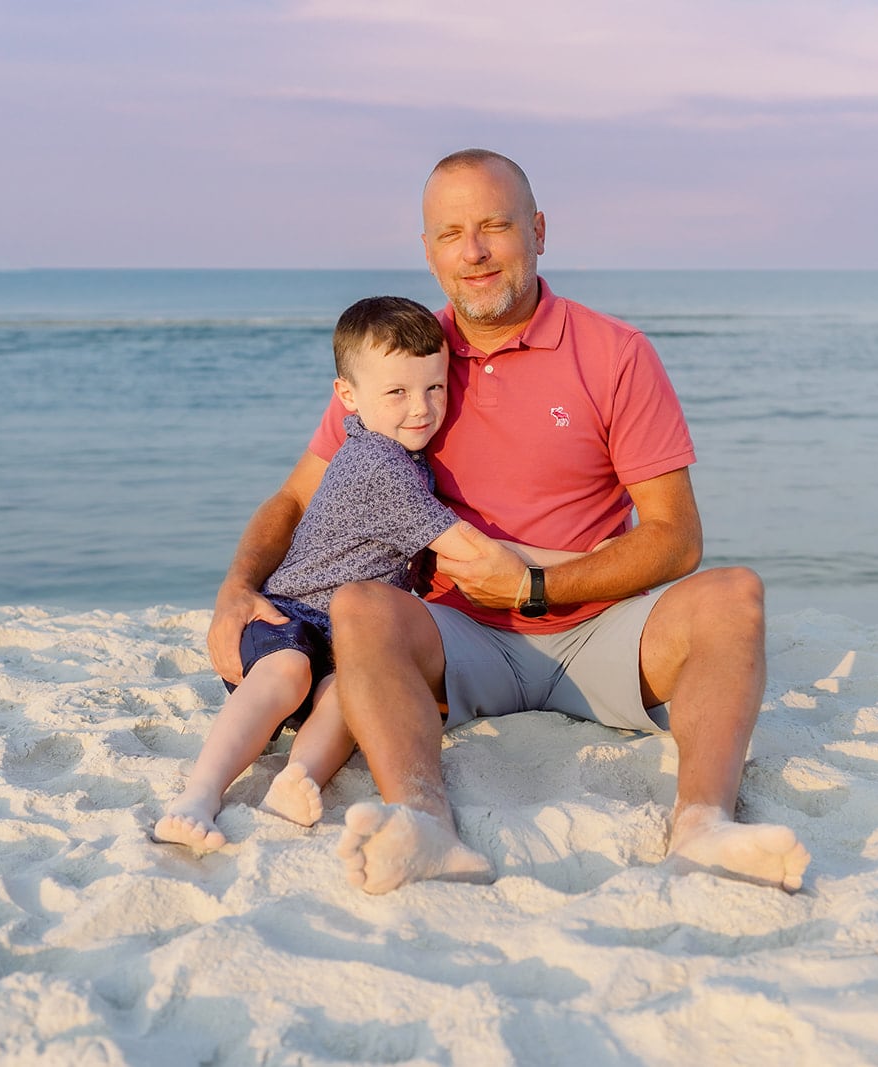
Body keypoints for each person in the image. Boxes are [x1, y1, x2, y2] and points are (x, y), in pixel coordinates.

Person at [207, 150, 811, 893]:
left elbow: (676, 536)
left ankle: (704, 824)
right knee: (363, 606)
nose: (476, 251)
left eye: (495, 225)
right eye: (452, 232)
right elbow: (298, 497)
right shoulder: (400, 362)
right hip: (455, 638)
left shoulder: (617, 353)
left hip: (601, 627)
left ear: (539, 231)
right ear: (427, 251)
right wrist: (237, 587)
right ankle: (424, 823)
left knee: (734, 594)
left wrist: (533, 585)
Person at [158, 295, 585, 852]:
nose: (421, 408)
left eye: (435, 387)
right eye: (397, 392)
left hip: (345, 636)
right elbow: (476, 551)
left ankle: (299, 776)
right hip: (288, 616)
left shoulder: (400, 456)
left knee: (346, 691)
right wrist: (581, 561)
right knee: (288, 671)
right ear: (348, 398)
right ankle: (199, 794)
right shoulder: (381, 466)